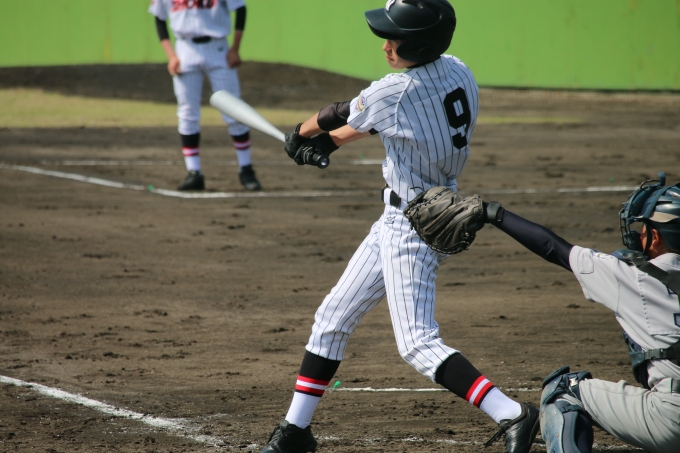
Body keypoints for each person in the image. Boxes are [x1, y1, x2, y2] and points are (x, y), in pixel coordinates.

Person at [259, 2, 539, 453]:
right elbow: (384, 122)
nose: (386, 46)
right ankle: (295, 430)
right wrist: (329, 144)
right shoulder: (458, 70)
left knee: (417, 344)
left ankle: (511, 413)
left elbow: (341, 112)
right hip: (431, 208)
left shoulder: (396, 89)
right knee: (332, 319)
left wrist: (301, 133)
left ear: (421, 44)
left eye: (396, 39)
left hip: (413, 227)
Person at [476, 172, 680, 453]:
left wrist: (494, 213)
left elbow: (554, 248)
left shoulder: (633, 277)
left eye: (644, 229)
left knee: (563, 390)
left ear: (655, 237)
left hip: (671, 419)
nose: (639, 234)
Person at [148, 0, 261, 191]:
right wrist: (171, 56)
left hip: (219, 48)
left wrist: (235, 48)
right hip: (184, 50)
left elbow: (240, 8)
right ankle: (194, 172)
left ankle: (246, 169)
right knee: (187, 112)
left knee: (234, 111)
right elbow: (159, 18)